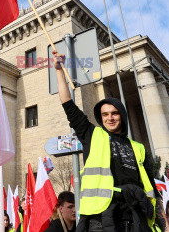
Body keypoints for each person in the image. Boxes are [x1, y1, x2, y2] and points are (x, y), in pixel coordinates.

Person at [53, 52, 157, 232]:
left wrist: (159, 215)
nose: (110, 118)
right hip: (101, 218)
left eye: (114, 113)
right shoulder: (91, 134)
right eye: (105, 114)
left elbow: (151, 185)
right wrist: (59, 72)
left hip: (136, 218)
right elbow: (68, 105)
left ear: (122, 116)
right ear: (101, 118)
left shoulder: (138, 148)